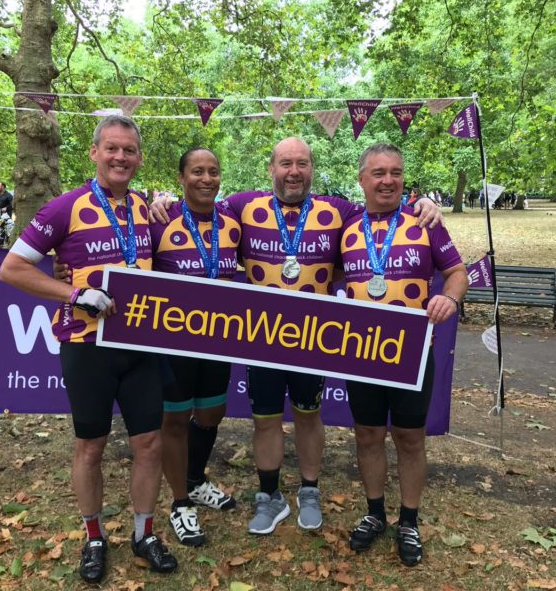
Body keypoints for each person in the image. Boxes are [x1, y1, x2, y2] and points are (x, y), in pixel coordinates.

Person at [151, 137, 443, 537]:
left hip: (313, 338)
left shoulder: (337, 211)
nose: (294, 171)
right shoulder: (241, 206)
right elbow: (198, 203)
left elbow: (383, 207)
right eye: (285, 163)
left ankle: (309, 490)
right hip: (262, 336)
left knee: (309, 416)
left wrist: (421, 204)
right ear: (270, 168)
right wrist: (163, 199)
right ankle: (268, 496)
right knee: (265, 420)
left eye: (302, 163)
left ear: (311, 169)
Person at [0, 115, 177, 584]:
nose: (121, 157)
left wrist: (167, 204)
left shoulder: (144, 206)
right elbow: (12, 269)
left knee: (149, 443)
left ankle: (144, 533)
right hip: (86, 346)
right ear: (94, 152)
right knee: (91, 446)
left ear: (139, 158)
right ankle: (94, 537)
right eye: (112, 148)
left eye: (129, 150)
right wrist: (73, 295)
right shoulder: (65, 207)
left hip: (140, 345)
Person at [341, 143, 467, 567]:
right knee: (368, 435)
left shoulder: (425, 221)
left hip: (411, 351)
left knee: (410, 439)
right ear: (362, 180)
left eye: (395, 172)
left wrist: (450, 299)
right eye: (378, 173)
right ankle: (375, 513)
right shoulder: (345, 225)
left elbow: (456, 272)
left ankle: (408, 520)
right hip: (360, 351)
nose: (388, 180)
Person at [151, 148, 240, 547]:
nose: (207, 179)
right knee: (174, 420)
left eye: (213, 172)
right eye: (197, 172)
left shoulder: (234, 224)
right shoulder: (159, 219)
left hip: (218, 340)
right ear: (182, 177)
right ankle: (180, 502)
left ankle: (195, 477)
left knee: (211, 414)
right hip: (173, 343)